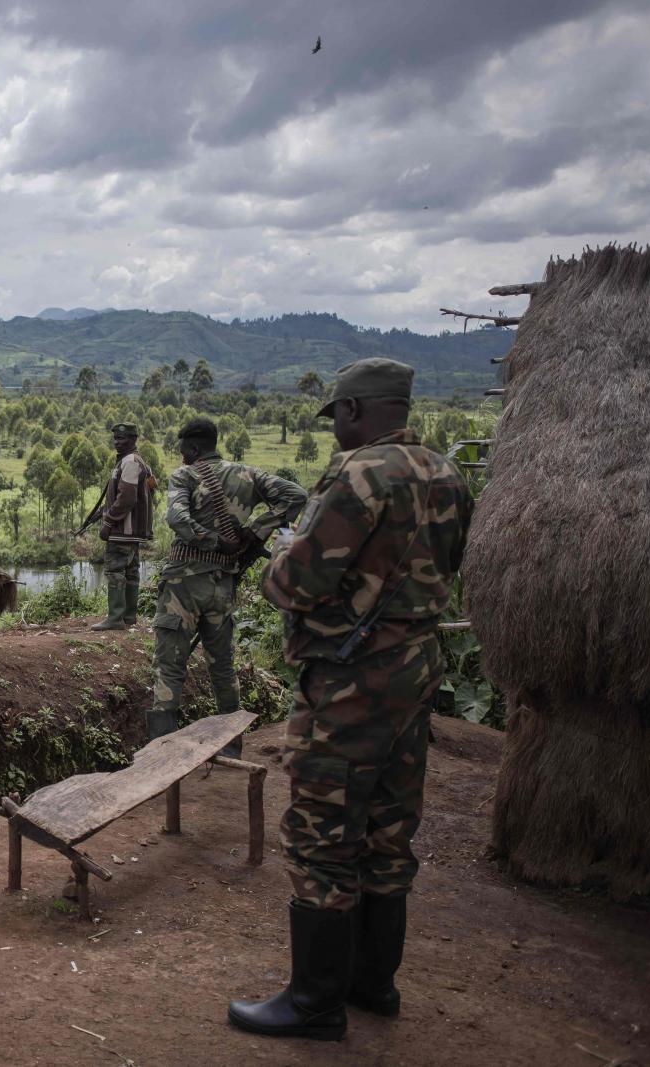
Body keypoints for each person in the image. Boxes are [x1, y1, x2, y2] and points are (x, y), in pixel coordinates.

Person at [228, 358, 473, 1042]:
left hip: (351, 679)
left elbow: (297, 582)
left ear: (358, 411)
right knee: (391, 826)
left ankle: (314, 1002)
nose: (335, 424)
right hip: (415, 670)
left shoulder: (359, 474)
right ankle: (374, 984)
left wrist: (279, 556)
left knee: (323, 831)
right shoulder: (447, 472)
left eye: (336, 413)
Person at [148, 418, 305, 748]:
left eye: (183, 451)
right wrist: (255, 530)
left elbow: (177, 519)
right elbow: (296, 495)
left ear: (193, 448)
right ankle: (232, 748)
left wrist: (213, 540)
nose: (181, 458)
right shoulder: (248, 474)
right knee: (223, 669)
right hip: (223, 587)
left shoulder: (185, 475)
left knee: (170, 668)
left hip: (183, 586)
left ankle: (160, 753)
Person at [91, 423, 155, 631]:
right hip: (134, 532)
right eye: (116, 439)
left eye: (123, 439)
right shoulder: (139, 462)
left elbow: (127, 498)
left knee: (115, 570)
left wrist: (108, 521)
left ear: (133, 439)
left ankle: (115, 618)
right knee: (131, 572)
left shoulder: (129, 462)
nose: (118, 443)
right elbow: (148, 490)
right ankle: (128, 617)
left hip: (122, 531)